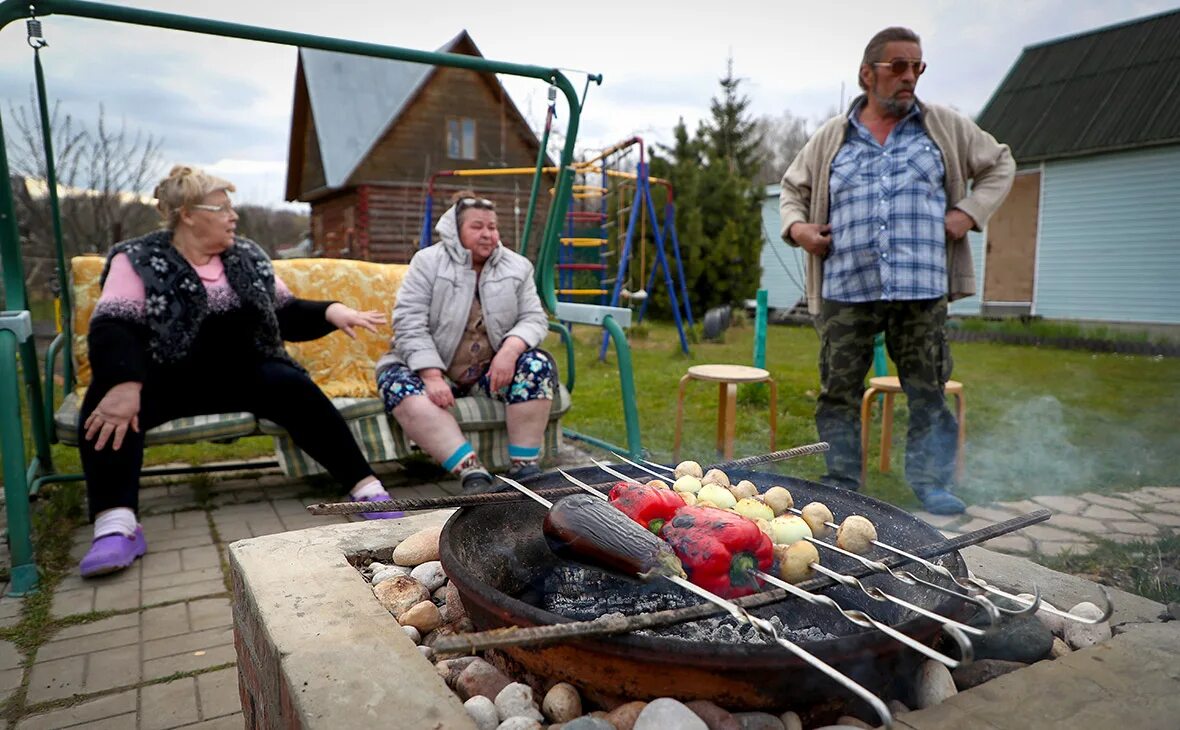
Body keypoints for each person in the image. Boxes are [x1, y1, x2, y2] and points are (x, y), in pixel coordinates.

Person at [79, 165, 396, 578]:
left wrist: (332, 311)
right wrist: (124, 383)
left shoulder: (247, 256)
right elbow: (113, 326)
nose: (234, 217)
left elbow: (285, 313)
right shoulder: (139, 259)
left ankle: (368, 492)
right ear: (188, 213)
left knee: (294, 386)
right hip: (167, 374)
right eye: (223, 207)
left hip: (245, 372)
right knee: (107, 398)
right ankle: (116, 523)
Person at [779, 27, 1015, 515]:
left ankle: (931, 484)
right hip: (847, 285)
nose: (910, 77)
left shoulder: (944, 127)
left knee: (928, 391)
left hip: (922, 286)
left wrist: (969, 212)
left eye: (917, 66)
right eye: (899, 67)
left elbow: (1000, 164)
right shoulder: (832, 137)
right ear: (868, 74)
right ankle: (841, 482)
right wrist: (799, 229)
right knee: (837, 392)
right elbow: (791, 189)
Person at [376, 192, 555, 494]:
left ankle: (525, 470)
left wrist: (510, 350)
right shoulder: (428, 262)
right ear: (455, 230)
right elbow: (408, 321)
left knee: (537, 364)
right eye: (477, 226)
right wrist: (431, 375)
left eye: (493, 227)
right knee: (395, 384)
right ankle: (473, 473)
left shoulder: (518, 266)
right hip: (431, 369)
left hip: (489, 373)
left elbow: (535, 318)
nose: (488, 234)